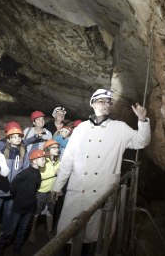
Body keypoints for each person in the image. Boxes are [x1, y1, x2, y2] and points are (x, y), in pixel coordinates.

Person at [52, 89, 151, 255]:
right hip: (78, 190)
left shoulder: (119, 128)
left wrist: (142, 120)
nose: (106, 104)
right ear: (92, 104)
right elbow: (68, 159)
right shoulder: (81, 128)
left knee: (96, 238)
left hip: (100, 192)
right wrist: (57, 186)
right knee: (69, 235)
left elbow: (142, 141)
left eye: (108, 102)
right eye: (102, 101)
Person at [0, 125, 28, 247]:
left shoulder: (24, 152)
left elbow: (24, 170)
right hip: (0, 188)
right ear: (8, 139)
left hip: (13, 190)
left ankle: (4, 234)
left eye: (19, 137)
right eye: (14, 137)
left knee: (8, 213)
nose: (17, 139)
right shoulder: (2, 151)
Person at [0, 149, 46, 256]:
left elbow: (36, 188)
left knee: (23, 228)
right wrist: (18, 198)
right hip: (19, 206)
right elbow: (14, 185)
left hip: (30, 206)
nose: (44, 161)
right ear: (34, 161)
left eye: (44, 159)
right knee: (11, 228)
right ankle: (1, 246)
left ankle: (17, 248)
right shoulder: (25, 173)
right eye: (42, 159)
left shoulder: (38, 174)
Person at [28, 140, 61, 242]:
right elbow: (38, 176)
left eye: (57, 147)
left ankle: (49, 232)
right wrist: (54, 173)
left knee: (50, 212)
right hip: (40, 191)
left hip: (52, 191)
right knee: (36, 212)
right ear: (47, 149)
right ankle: (32, 232)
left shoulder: (58, 161)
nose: (57, 149)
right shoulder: (42, 160)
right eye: (54, 148)